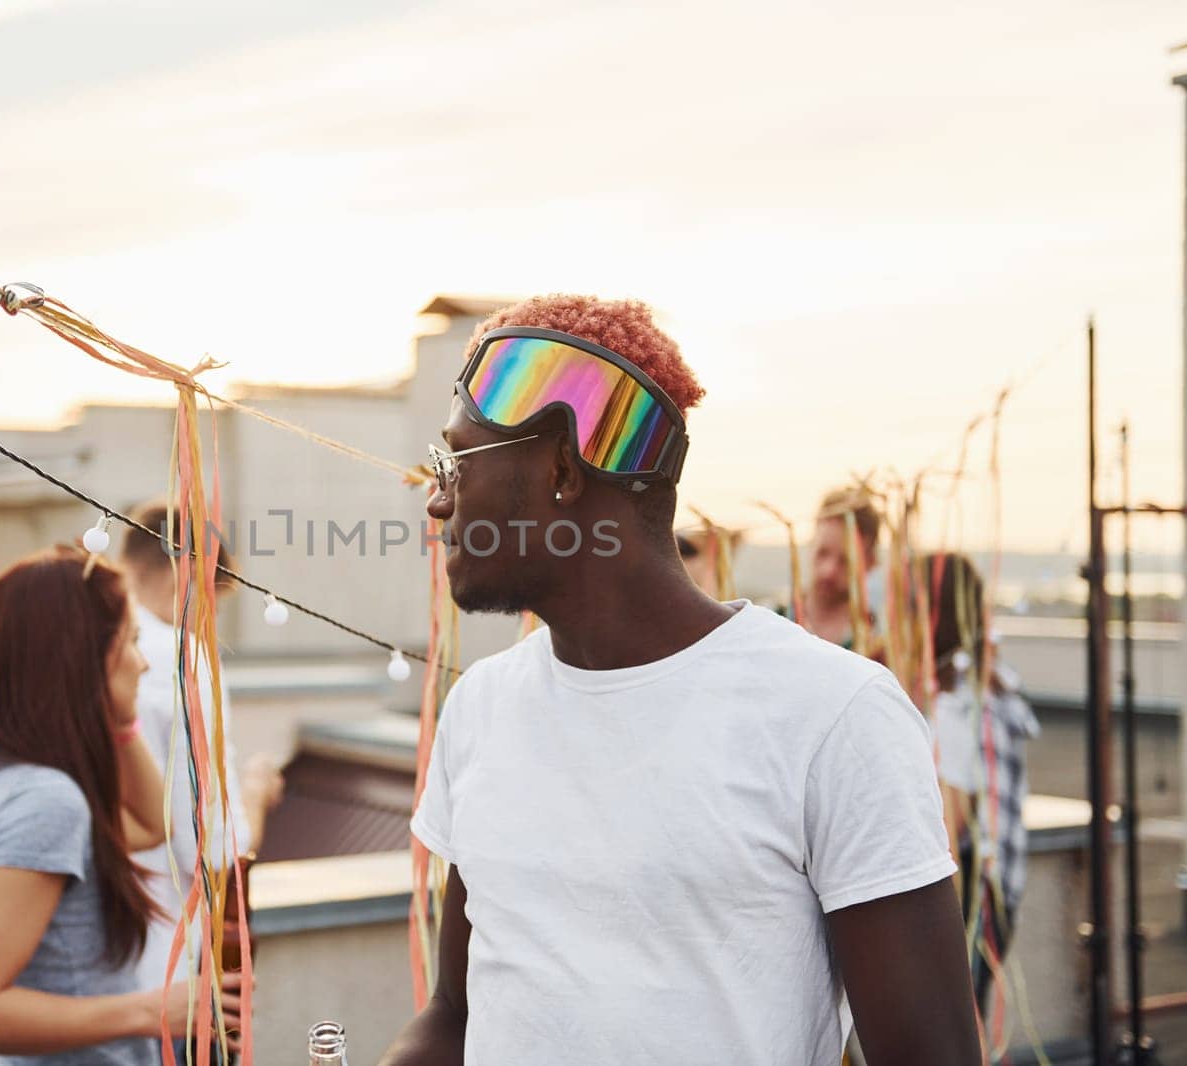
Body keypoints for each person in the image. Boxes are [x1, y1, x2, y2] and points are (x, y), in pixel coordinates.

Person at [381, 294, 977, 1065]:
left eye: (453, 463)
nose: (436, 499)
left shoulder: (833, 716)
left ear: (561, 466)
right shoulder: (481, 709)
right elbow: (457, 1013)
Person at [0, 546, 244, 1064]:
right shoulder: (47, 803)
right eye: (130, 642)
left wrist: (116, 716)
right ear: (85, 658)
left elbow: (148, 826)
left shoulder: (10, 775)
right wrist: (151, 1010)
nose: (145, 662)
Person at [118, 501, 285, 1064]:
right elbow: (220, 849)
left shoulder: (80, 652)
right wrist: (257, 791)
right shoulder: (179, 660)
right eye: (212, 597)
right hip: (171, 978)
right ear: (189, 575)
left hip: (84, 976)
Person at [925, 552, 1040, 1013]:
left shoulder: (957, 699)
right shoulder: (987, 682)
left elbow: (947, 831)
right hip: (1000, 887)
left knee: (956, 1025)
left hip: (972, 900)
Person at [802, 485, 883, 654]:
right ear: (811, 544)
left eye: (845, 561)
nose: (829, 571)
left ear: (870, 563)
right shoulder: (768, 619)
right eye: (822, 553)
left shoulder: (879, 644)